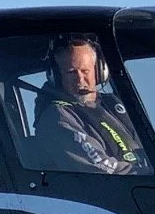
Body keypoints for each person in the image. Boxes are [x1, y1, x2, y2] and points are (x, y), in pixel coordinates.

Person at [32, 34, 143, 174]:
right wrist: (145, 175)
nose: (80, 79)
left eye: (85, 71)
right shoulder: (57, 117)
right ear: (56, 76)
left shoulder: (113, 106)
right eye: (71, 72)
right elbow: (100, 168)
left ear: (100, 71)